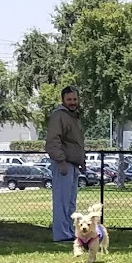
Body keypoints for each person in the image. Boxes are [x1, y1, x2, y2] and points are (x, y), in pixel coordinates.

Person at [44, 86, 85, 242]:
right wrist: (60, 161)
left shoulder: (74, 117)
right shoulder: (59, 116)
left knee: (70, 203)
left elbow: (76, 142)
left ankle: (68, 232)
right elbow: (53, 141)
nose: (73, 102)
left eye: (75, 99)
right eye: (69, 99)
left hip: (73, 164)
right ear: (63, 100)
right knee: (61, 202)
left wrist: (82, 161)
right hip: (64, 164)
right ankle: (61, 235)